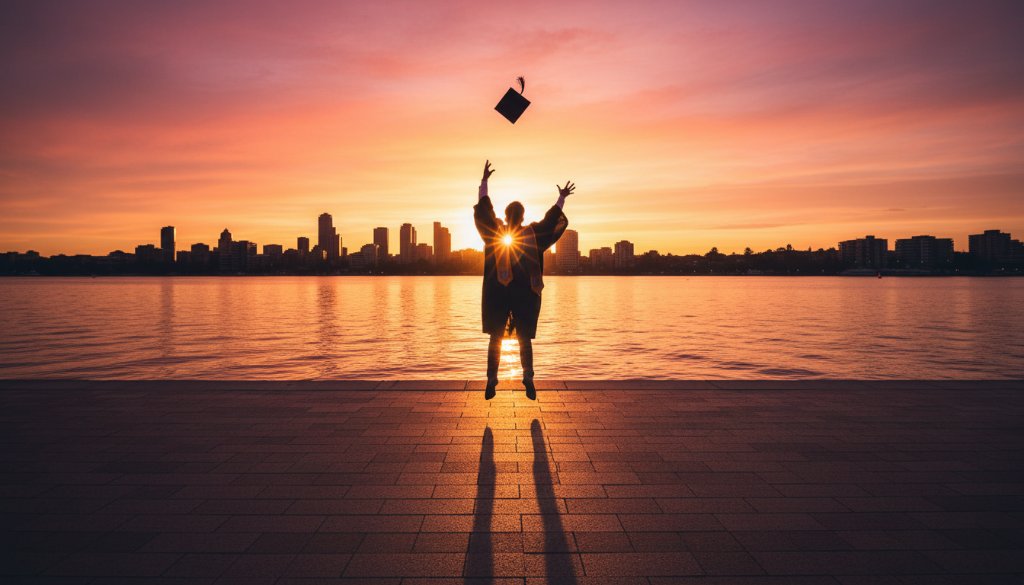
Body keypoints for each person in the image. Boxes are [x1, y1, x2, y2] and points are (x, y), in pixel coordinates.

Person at [474, 160, 572, 400]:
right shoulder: (533, 234)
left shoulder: (496, 232)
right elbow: (551, 221)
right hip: (524, 295)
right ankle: (527, 375)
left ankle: (491, 378)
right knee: (524, 337)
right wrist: (561, 199)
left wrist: (484, 182)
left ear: (506, 216)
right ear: (523, 216)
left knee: (496, 337)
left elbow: (485, 212)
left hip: (498, 293)